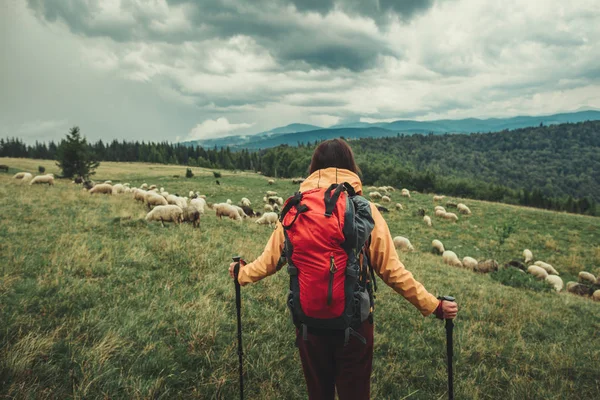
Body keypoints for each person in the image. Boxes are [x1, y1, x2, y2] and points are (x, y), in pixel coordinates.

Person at [229, 138, 458, 400]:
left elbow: (270, 262)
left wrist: (241, 273)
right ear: (351, 167)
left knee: (319, 393)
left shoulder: (296, 210)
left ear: (314, 167)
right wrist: (434, 306)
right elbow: (392, 271)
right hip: (354, 327)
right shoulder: (364, 209)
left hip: (308, 326)